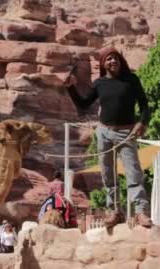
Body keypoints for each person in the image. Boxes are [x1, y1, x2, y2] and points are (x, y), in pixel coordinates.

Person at [65, 47, 152, 229]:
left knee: (133, 172)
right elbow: (83, 104)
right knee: (107, 174)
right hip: (104, 132)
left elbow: (144, 106)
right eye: (109, 59)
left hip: (127, 132)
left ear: (121, 61)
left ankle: (141, 212)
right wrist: (71, 87)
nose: (113, 61)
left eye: (115, 58)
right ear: (103, 64)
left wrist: (142, 123)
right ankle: (114, 211)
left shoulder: (131, 80)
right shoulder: (100, 83)